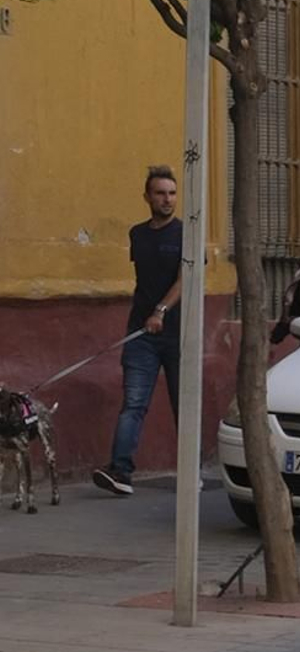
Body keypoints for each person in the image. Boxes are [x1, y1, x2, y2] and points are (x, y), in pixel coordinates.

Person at [92, 163, 182, 495]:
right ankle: (120, 472)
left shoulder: (187, 233)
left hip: (177, 334)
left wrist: (161, 310)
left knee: (183, 406)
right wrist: (147, 315)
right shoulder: (137, 234)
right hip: (142, 334)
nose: (167, 199)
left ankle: (190, 472)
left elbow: (187, 280)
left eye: (172, 193)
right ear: (147, 197)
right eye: (160, 193)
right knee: (133, 402)